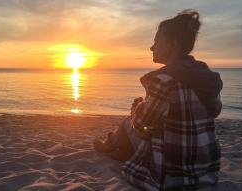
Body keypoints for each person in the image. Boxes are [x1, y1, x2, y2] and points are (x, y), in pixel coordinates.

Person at [93, 9, 223, 191]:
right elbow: (214, 111)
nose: (152, 47)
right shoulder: (206, 78)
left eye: (156, 41)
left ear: (172, 44)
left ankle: (109, 146)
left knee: (127, 123)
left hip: (173, 174)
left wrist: (137, 108)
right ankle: (116, 147)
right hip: (205, 170)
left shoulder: (164, 81)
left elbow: (141, 126)